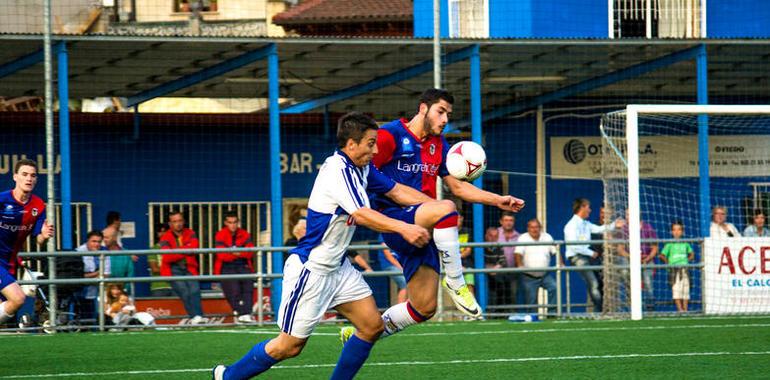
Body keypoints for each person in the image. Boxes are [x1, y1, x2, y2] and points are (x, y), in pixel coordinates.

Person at [212, 112, 432, 380]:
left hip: (338, 268)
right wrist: (405, 227)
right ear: (352, 144)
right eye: (371, 143)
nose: (375, 150)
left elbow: (395, 190)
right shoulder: (337, 170)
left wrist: (436, 209)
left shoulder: (362, 166)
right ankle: (227, 376)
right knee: (289, 346)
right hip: (312, 269)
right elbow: (362, 213)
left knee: (372, 326)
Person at [364, 88, 524, 330]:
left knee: (424, 307)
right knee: (447, 207)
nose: (445, 120)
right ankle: (456, 281)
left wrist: (497, 199)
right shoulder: (390, 135)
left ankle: (366, 332)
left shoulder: (439, 144)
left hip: (424, 227)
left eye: (448, 114)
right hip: (396, 220)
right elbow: (365, 169)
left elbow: (458, 187)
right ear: (422, 108)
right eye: (441, 112)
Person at [0, 159, 54, 325]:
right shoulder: (2, 200)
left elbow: (38, 240)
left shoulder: (38, 205)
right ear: (15, 177)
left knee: (6, 307)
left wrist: (44, 236)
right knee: (18, 298)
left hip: (9, 263)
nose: (29, 178)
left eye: (33, 175)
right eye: (24, 174)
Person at [564, 198, 623, 313]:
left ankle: (599, 310)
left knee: (600, 281)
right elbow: (574, 246)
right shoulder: (571, 225)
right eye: (588, 207)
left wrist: (614, 225)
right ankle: (601, 311)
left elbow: (599, 229)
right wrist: (592, 253)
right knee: (594, 283)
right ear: (582, 208)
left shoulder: (586, 223)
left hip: (587, 256)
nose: (590, 210)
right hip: (577, 257)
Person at [159, 211, 205, 325]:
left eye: (180, 220)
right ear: (170, 224)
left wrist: (177, 252)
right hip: (173, 269)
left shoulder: (191, 233)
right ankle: (195, 316)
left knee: (195, 291)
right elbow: (167, 257)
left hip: (189, 267)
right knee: (184, 291)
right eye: (174, 221)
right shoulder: (165, 237)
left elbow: (195, 247)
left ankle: (198, 317)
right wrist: (186, 250)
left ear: (183, 221)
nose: (178, 224)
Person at [214, 211, 256, 324]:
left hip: (243, 264)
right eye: (230, 222)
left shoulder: (245, 234)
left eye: (235, 222)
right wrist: (238, 252)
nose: (232, 225)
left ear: (238, 223)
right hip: (227, 266)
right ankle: (241, 313)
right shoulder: (220, 234)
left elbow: (250, 252)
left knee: (248, 288)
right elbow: (222, 255)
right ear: (225, 223)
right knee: (233, 291)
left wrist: (233, 252)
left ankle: (246, 314)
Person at [616, 210, 659, 311]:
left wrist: (647, 258)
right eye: (626, 215)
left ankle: (650, 309)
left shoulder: (648, 228)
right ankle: (632, 303)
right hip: (629, 258)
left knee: (648, 283)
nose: (626, 217)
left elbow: (655, 248)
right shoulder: (624, 229)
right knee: (624, 271)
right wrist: (632, 257)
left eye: (628, 214)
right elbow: (620, 249)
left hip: (646, 259)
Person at [514, 219, 558, 314]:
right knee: (531, 300)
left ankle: (552, 314)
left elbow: (556, 251)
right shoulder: (523, 238)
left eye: (536, 227)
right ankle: (533, 318)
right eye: (532, 227)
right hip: (529, 276)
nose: (534, 229)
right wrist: (520, 265)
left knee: (554, 288)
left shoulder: (547, 237)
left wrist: (560, 264)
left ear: (540, 228)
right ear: (528, 228)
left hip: (544, 275)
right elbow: (518, 253)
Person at [659, 221, 694, 313]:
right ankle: (680, 309)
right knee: (676, 289)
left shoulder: (685, 243)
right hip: (674, 270)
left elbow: (692, 254)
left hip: (685, 269)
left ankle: (685, 309)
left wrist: (686, 261)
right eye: (674, 230)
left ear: (682, 231)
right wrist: (669, 263)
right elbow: (662, 255)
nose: (677, 232)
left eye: (679, 230)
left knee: (685, 289)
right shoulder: (669, 244)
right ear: (671, 232)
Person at [77, 230, 110, 319]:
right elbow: (78, 276)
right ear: (87, 241)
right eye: (94, 241)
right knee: (82, 318)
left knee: (93, 318)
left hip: (97, 291)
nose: (96, 244)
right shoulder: (78, 252)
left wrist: (89, 275)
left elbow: (106, 274)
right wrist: (97, 273)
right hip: (78, 291)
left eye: (99, 242)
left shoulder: (105, 251)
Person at [497, 211, 522, 306]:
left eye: (511, 220)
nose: (508, 222)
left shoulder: (519, 236)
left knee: (513, 295)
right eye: (506, 220)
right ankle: (497, 317)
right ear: (501, 221)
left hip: (513, 271)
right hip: (497, 272)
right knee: (498, 295)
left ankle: (512, 315)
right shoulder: (495, 233)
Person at [483, 227, 511, 306]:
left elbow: (502, 261)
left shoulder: (499, 247)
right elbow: (479, 261)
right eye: (491, 236)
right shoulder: (481, 247)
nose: (493, 238)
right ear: (486, 236)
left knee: (503, 282)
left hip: (496, 273)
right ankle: (490, 310)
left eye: (495, 236)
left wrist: (495, 268)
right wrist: (488, 269)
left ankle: (501, 310)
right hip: (484, 274)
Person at [103, 226, 133, 294]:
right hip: (104, 294)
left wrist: (124, 292)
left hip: (123, 294)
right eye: (103, 237)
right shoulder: (101, 253)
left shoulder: (126, 254)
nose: (104, 240)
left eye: (107, 237)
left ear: (114, 238)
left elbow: (130, 275)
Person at [147, 223, 173, 297]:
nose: (162, 234)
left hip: (175, 286)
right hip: (158, 287)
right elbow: (154, 269)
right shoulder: (153, 249)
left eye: (165, 231)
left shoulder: (174, 248)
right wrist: (172, 271)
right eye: (160, 231)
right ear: (157, 234)